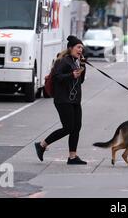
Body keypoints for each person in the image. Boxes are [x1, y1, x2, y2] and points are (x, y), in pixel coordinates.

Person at [35, 36, 87, 165]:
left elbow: (81, 81)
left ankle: (72, 157)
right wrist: (72, 75)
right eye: (78, 47)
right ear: (70, 48)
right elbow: (57, 77)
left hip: (74, 100)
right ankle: (42, 145)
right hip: (63, 100)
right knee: (68, 127)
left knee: (76, 127)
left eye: (82, 48)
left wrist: (82, 66)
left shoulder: (76, 61)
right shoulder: (62, 61)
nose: (80, 50)